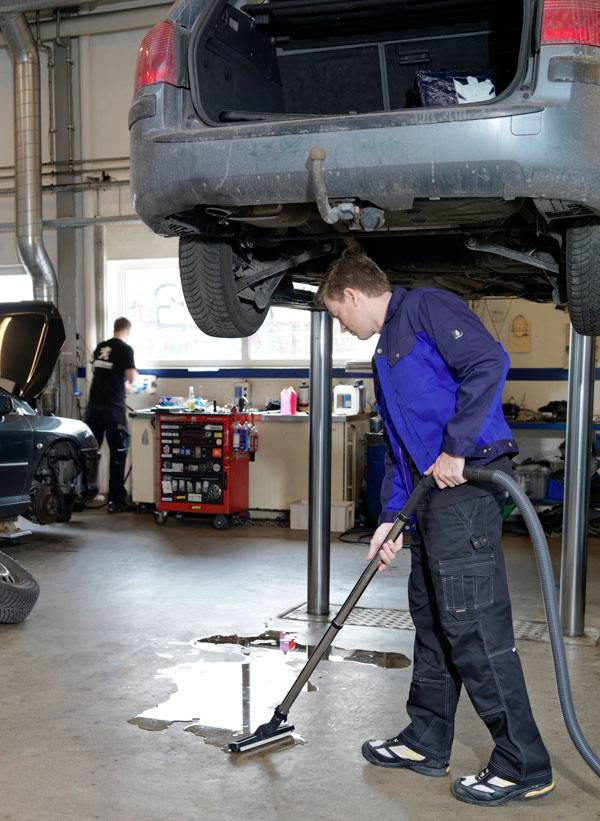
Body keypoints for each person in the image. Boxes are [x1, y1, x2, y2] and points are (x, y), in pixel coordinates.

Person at [316, 251, 553, 807]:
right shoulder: (384, 353)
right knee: (432, 619)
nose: (340, 327)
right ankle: (427, 739)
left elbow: (488, 361)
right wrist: (390, 521)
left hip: (467, 486)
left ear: (352, 295)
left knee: (473, 627)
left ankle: (524, 763)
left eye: (336, 315)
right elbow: (402, 453)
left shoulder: (424, 307)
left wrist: (455, 447)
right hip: (429, 499)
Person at [85, 317, 138, 513]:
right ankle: (116, 501)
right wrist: (130, 384)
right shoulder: (125, 349)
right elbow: (132, 378)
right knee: (118, 452)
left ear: (114, 329)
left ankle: (84, 495)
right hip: (113, 409)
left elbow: (102, 375)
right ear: (127, 331)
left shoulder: (101, 347)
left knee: (89, 453)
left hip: (93, 408)